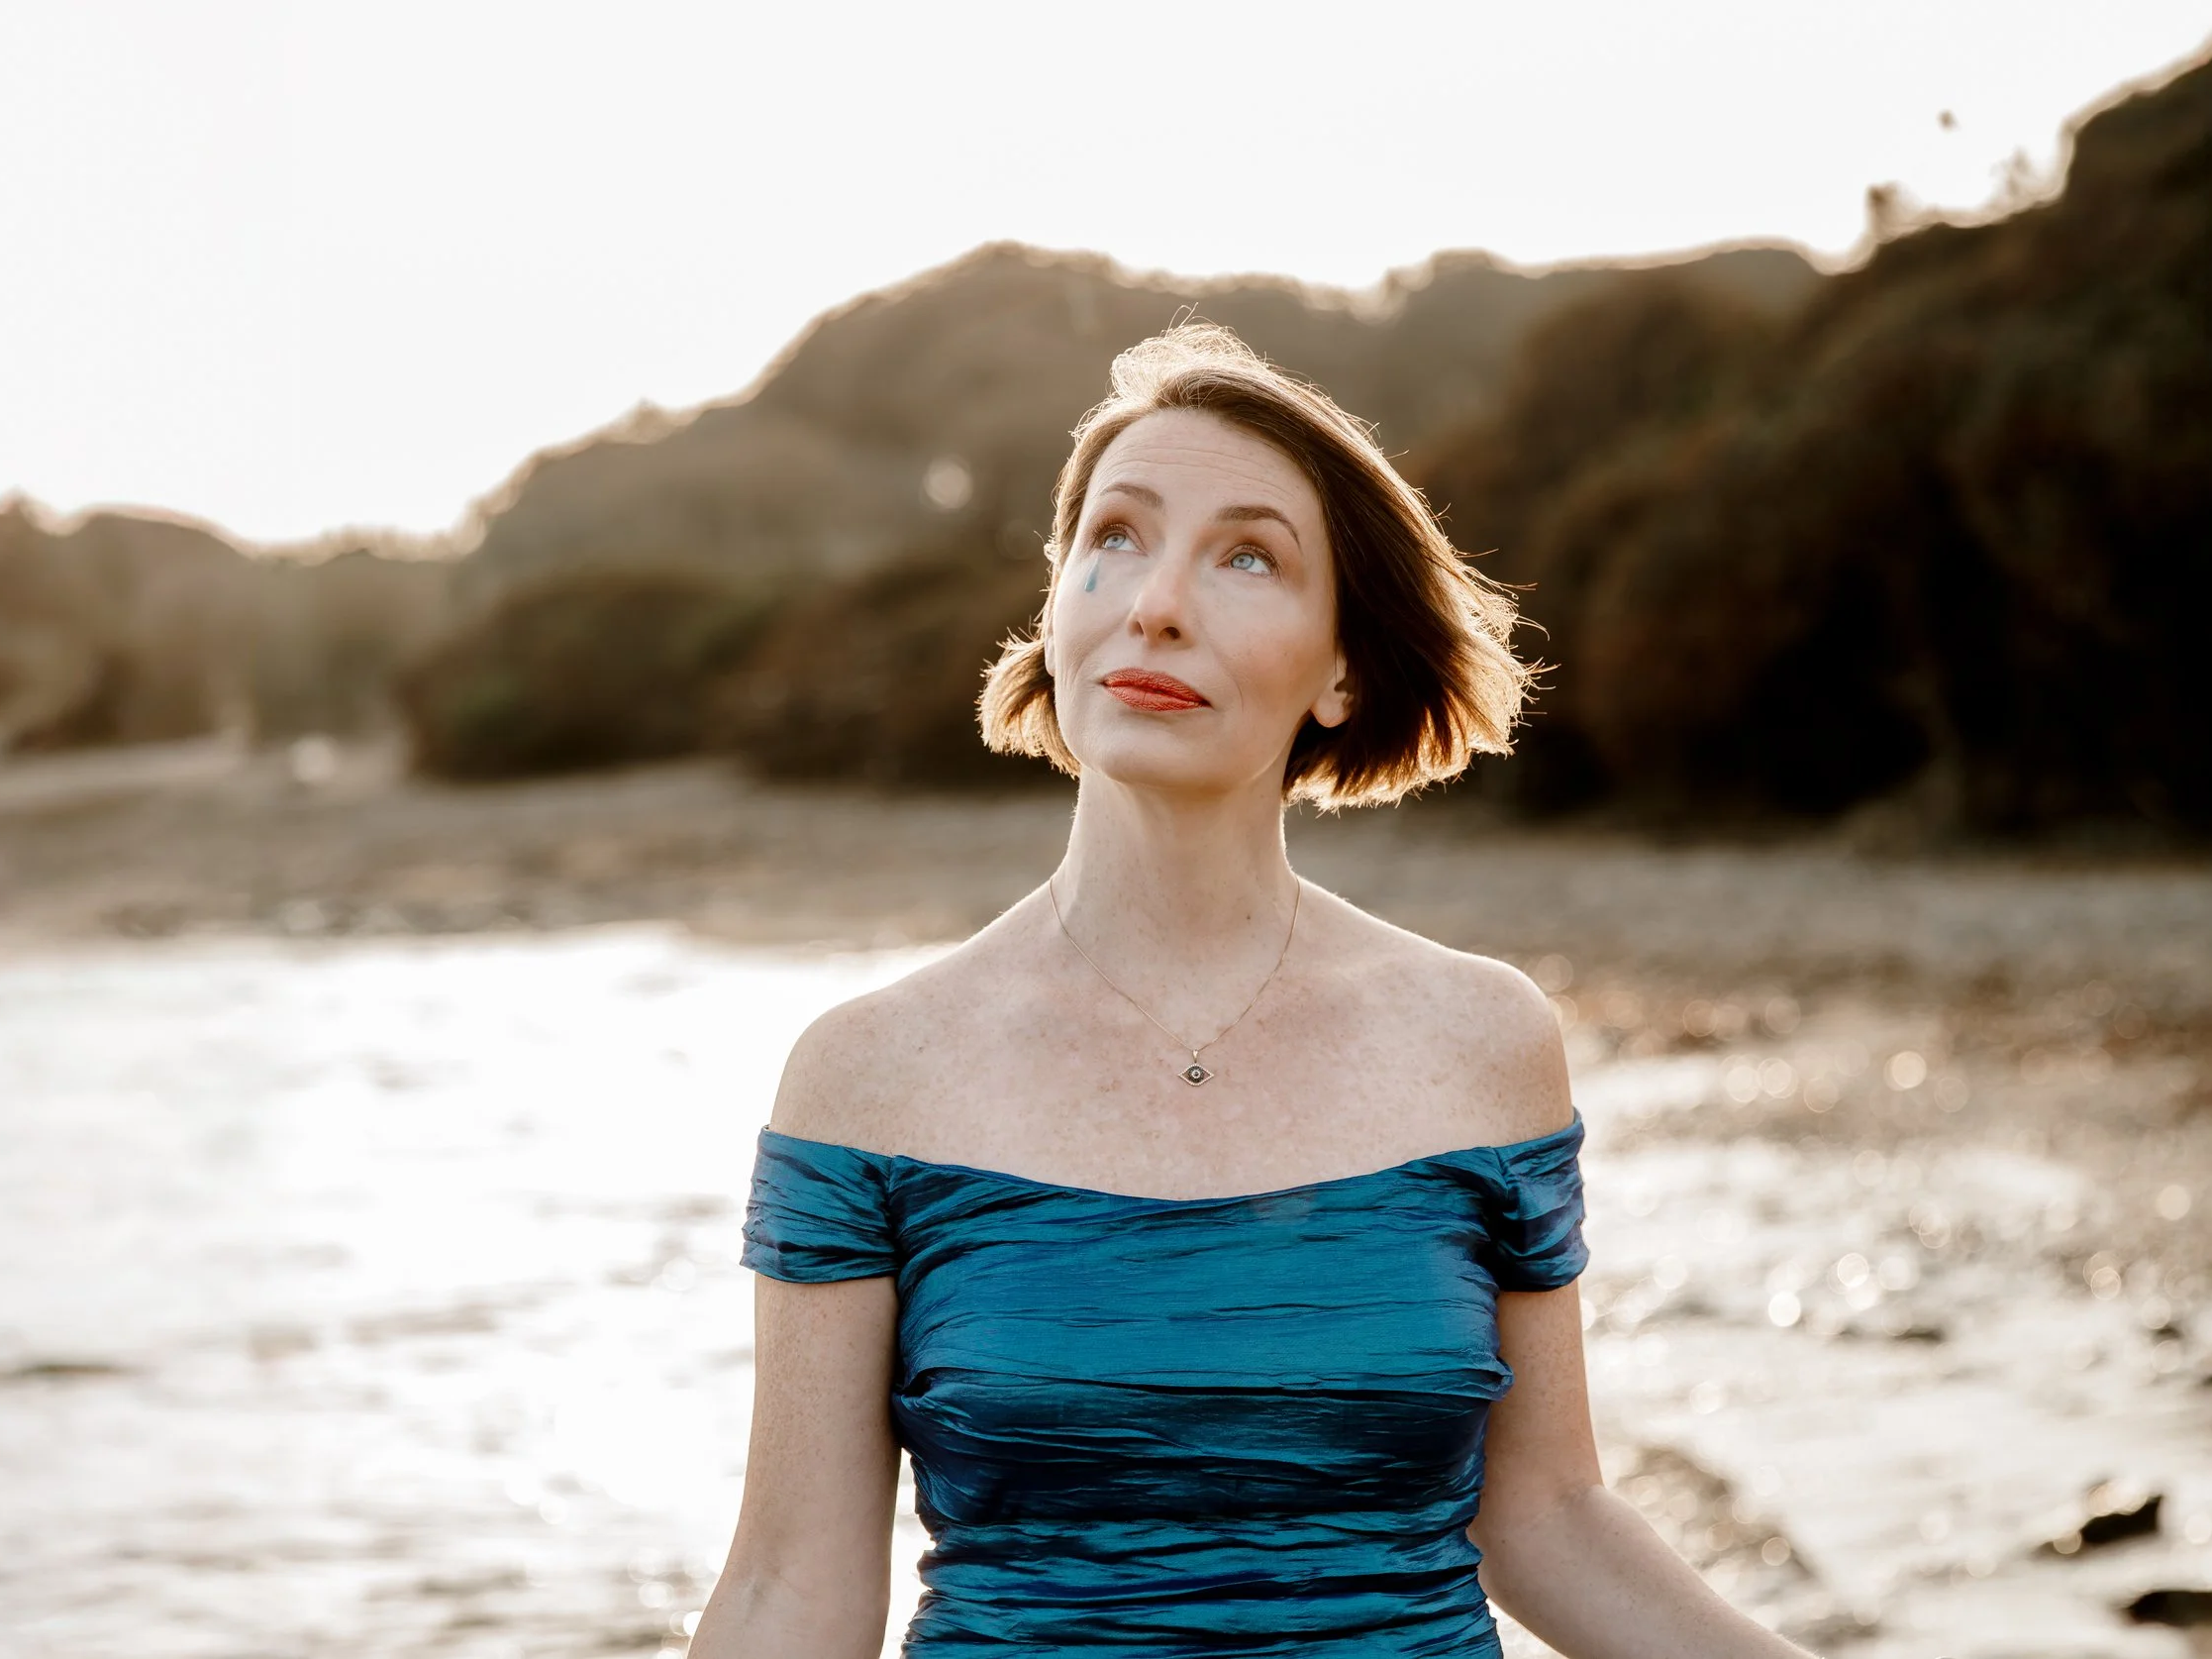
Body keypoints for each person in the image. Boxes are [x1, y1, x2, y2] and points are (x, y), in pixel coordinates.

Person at [692, 326, 1814, 1659]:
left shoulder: (1480, 1040)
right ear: (1058, 612)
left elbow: (1552, 1518)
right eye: (1115, 537)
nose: (1155, 600)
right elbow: (790, 1589)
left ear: (1344, 667)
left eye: (1247, 555)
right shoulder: (870, 1075)